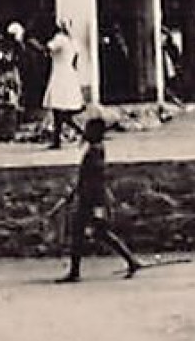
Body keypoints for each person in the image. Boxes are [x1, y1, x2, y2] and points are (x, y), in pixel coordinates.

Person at [56, 116, 143, 283]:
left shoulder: (94, 152)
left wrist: (96, 206)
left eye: (88, 129)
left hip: (91, 199)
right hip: (90, 197)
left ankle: (76, 272)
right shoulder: (95, 149)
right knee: (93, 233)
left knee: (87, 233)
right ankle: (131, 261)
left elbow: (95, 180)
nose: (85, 131)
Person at [43, 20, 86, 149]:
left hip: (60, 75)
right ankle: (58, 140)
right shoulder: (73, 41)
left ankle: (79, 133)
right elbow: (75, 61)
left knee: (58, 110)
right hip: (69, 75)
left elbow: (47, 49)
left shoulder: (60, 39)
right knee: (61, 111)